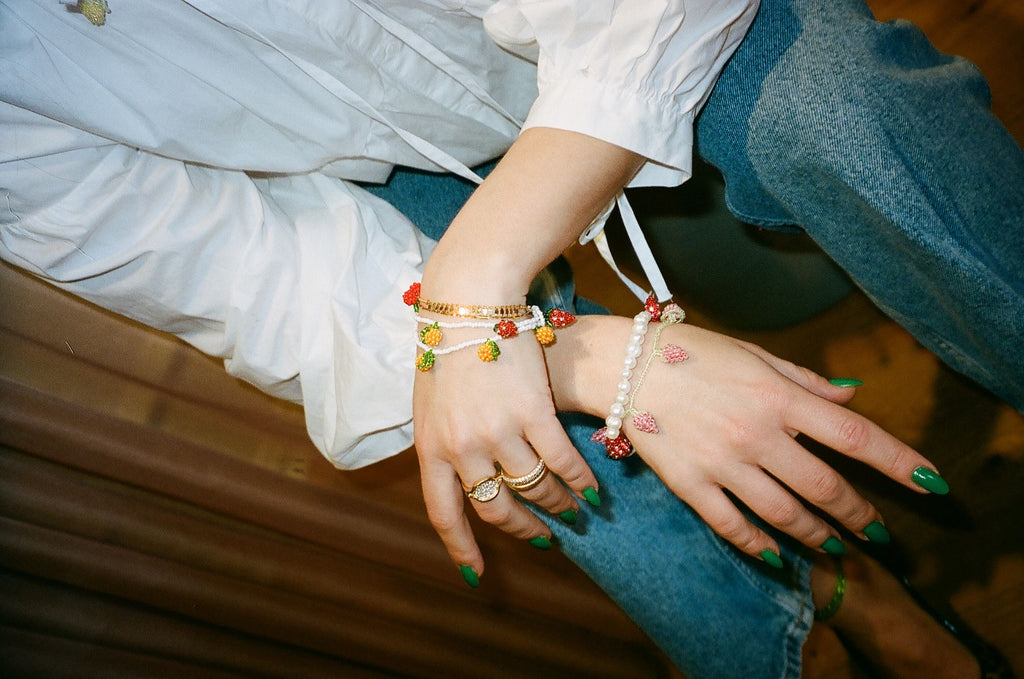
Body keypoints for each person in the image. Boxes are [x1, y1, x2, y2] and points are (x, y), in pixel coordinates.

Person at [1, 0, 1019, 677]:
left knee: (840, 114)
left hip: (629, 29)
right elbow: (255, 278)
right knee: (511, 439)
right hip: (394, 179)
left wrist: (479, 288)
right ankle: (847, 599)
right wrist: (582, 362)